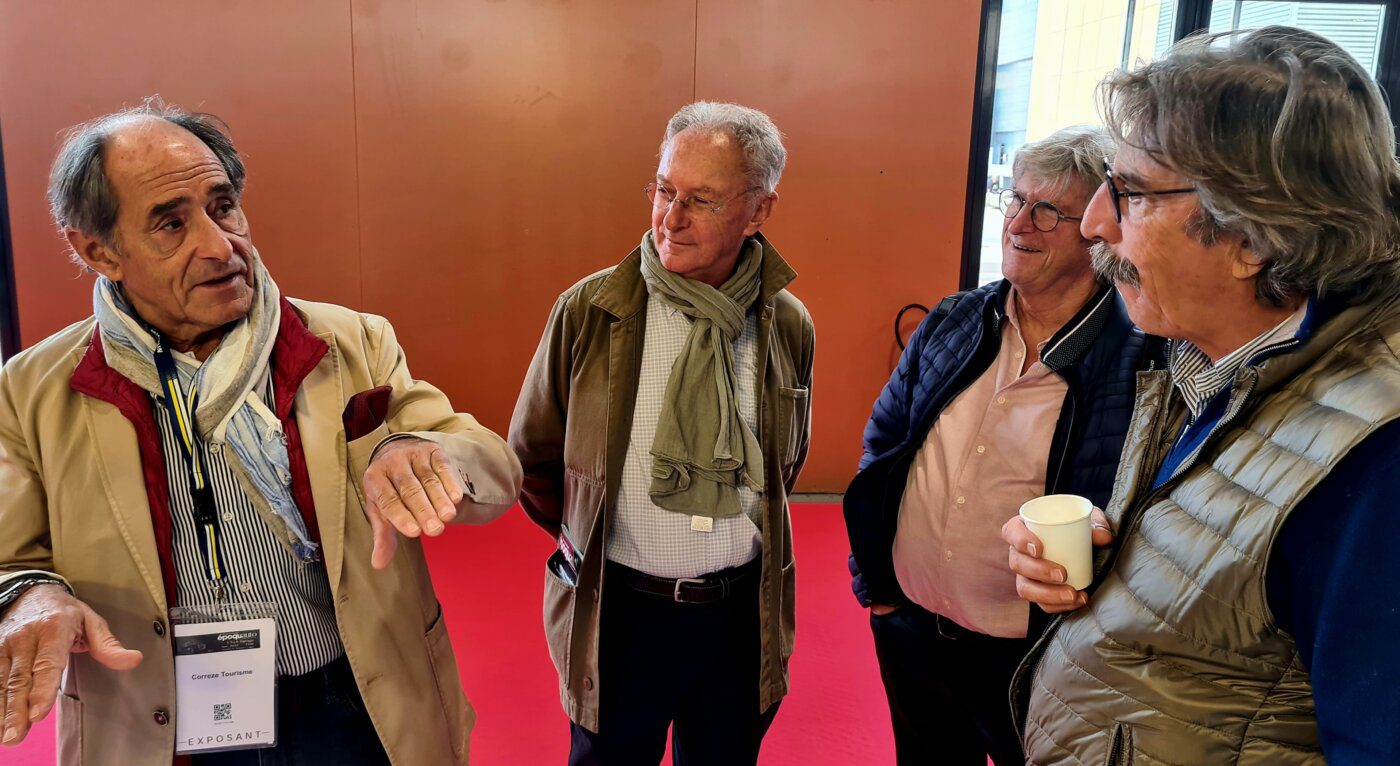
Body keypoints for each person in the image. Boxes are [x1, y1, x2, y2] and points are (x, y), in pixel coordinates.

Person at [0, 101, 523, 765]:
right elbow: (12, 556)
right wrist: (30, 593)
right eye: (170, 223)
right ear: (98, 250)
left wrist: (419, 451)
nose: (220, 246)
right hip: (161, 720)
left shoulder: (349, 341)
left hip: (354, 699)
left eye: (223, 206)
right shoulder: (32, 390)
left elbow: (491, 467)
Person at [1003, 26, 1400, 764]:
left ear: (1254, 236)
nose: (1093, 223)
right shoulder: (1214, 353)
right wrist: (1121, 541)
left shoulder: (1377, 461)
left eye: (1128, 193)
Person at [509, 101, 813, 766]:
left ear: (759, 209)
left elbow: (783, 469)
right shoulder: (591, 311)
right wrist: (589, 538)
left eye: (700, 200)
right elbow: (534, 459)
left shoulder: (787, 324)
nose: (670, 218)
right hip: (620, 617)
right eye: (664, 191)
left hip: (738, 621)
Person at [843, 126, 1158, 765]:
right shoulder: (956, 319)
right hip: (912, 628)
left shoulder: (1141, 359)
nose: (1019, 222)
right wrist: (877, 583)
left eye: (1047, 211)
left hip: (1034, 657)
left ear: (1096, 231)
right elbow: (885, 445)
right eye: (1014, 200)